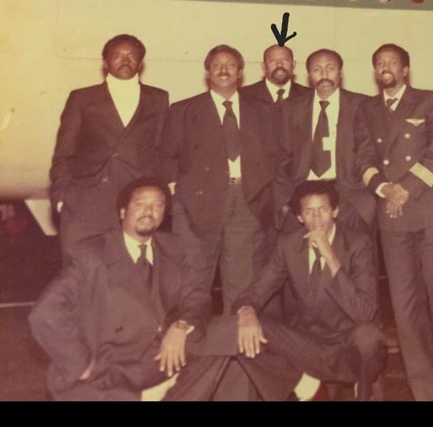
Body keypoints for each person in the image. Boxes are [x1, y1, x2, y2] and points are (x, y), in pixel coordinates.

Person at [29, 177, 234, 401]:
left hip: (162, 357)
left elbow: (197, 296)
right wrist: (81, 363)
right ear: (123, 212)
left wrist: (181, 326)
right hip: (114, 366)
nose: (149, 211)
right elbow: (45, 311)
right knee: (79, 391)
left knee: (232, 335)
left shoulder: (173, 247)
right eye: (141, 204)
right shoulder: (92, 254)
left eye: (158, 205)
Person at [354, 44, 433, 401]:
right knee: (407, 317)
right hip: (392, 223)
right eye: (379, 63)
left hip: (429, 215)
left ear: (405, 70)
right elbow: (362, 156)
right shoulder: (366, 109)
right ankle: (428, 395)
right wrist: (383, 188)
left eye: (392, 62)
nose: (385, 68)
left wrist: (405, 190)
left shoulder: (428, 101)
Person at [231, 180, 386, 401]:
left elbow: (364, 312)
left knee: (369, 337)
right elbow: (259, 288)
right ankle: (304, 384)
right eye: (309, 212)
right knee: (241, 328)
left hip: (347, 343)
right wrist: (246, 310)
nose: (317, 219)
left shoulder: (358, 244)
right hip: (307, 343)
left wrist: (330, 257)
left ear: (335, 211)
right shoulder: (288, 245)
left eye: (323, 209)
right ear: (299, 217)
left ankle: (362, 389)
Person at [160, 44, 281, 313]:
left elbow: (276, 155)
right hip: (196, 208)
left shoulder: (262, 110)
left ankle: (236, 351)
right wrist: (178, 196)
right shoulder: (184, 109)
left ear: (240, 73)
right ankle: (190, 350)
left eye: (230, 65)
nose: (223, 70)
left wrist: (263, 195)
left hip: (247, 206)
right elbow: (167, 157)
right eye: (217, 65)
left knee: (242, 287)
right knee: (192, 284)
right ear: (207, 73)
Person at [50, 34, 168, 253]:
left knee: (127, 277)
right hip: (85, 205)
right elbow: (64, 153)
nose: (125, 61)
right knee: (81, 277)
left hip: (134, 206)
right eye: (117, 55)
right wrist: (61, 198)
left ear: (140, 63)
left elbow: (159, 151)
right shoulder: (82, 98)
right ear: (105, 62)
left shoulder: (158, 98)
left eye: (131, 56)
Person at [278, 49, 375, 236]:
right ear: (308, 75)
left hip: (350, 195)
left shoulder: (362, 105)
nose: (324, 75)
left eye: (330, 68)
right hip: (304, 193)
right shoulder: (291, 107)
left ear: (340, 72)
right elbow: (281, 154)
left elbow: (370, 153)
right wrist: (286, 198)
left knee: (354, 259)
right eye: (317, 69)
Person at [240, 44, 311, 105]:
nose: (279, 64)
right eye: (272, 61)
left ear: (293, 65)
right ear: (264, 66)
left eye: (285, 60)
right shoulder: (244, 95)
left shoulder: (309, 96)